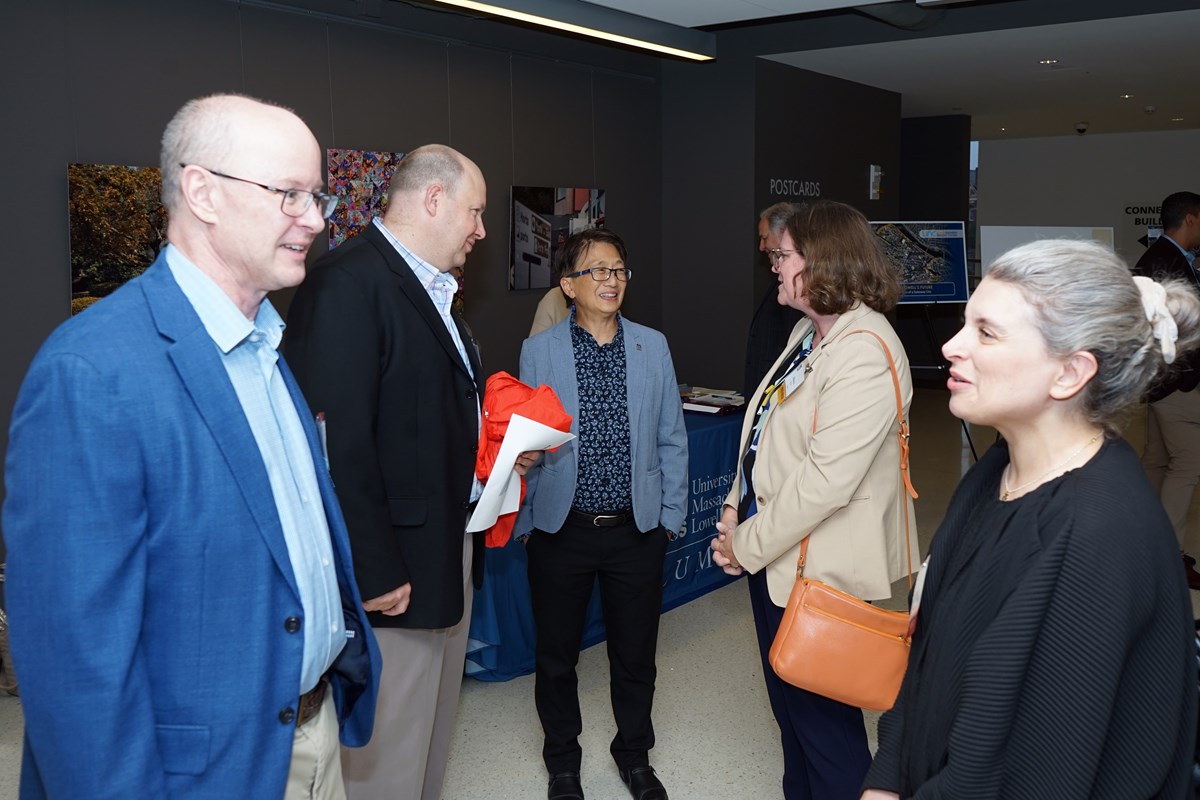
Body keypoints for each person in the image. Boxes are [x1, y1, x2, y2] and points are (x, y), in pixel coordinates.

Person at [3, 94, 381, 799]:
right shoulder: (90, 373)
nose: (315, 219)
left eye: (317, 196)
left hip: (311, 735)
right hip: (194, 775)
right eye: (289, 194)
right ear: (202, 192)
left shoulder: (266, 344)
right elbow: (75, 665)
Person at [862, 239, 1200, 799]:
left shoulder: (1099, 536)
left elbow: (1035, 773)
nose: (951, 346)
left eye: (986, 332)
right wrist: (887, 776)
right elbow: (928, 656)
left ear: (1070, 372)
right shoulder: (998, 468)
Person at [285, 144, 536, 800]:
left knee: (427, 735)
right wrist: (371, 568)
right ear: (433, 200)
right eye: (475, 212)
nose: (482, 230)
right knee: (387, 749)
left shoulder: (433, 290)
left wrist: (501, 456)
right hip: (392, 573)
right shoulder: (346, 283)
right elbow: (332, 443)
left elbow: (429, 414)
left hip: (441, 550)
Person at [711, 200, 918, 800]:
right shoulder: (809, 331)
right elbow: (762, 431)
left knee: (828, 736)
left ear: (823, 261)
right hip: (777, 555)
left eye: (783, 256)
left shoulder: (864, 350)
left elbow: (826, 482)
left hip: (819, 568)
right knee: (793, 721)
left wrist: (744, 543)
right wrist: (733, 506)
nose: (773, 266)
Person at [515, 228, 688, 800]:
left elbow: (672, 437)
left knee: (635, 656)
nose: (612, 280)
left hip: (636, 531)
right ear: (568, 285)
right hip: (561, 528)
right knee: (557, 657)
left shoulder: (652, 345)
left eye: (619, 270)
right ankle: (563, 762)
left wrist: (669, 517)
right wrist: (522, 523)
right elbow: (527, 444)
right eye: (598, 271)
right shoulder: (539, 350)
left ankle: (635, 757)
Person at [1133, 191, 1200, 589]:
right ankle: (1169, 557)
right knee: (1189, 464)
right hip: (1176, 383)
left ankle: (1144, 542)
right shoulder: (1166, 264)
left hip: (1159, 385)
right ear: (1190, 219)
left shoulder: (1161, 259)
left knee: (1157, 461)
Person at [743, 202, 806, 397]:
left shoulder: (797, 288)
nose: (761, 247)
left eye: (764, 238)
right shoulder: (779, 284)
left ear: (783, 232)